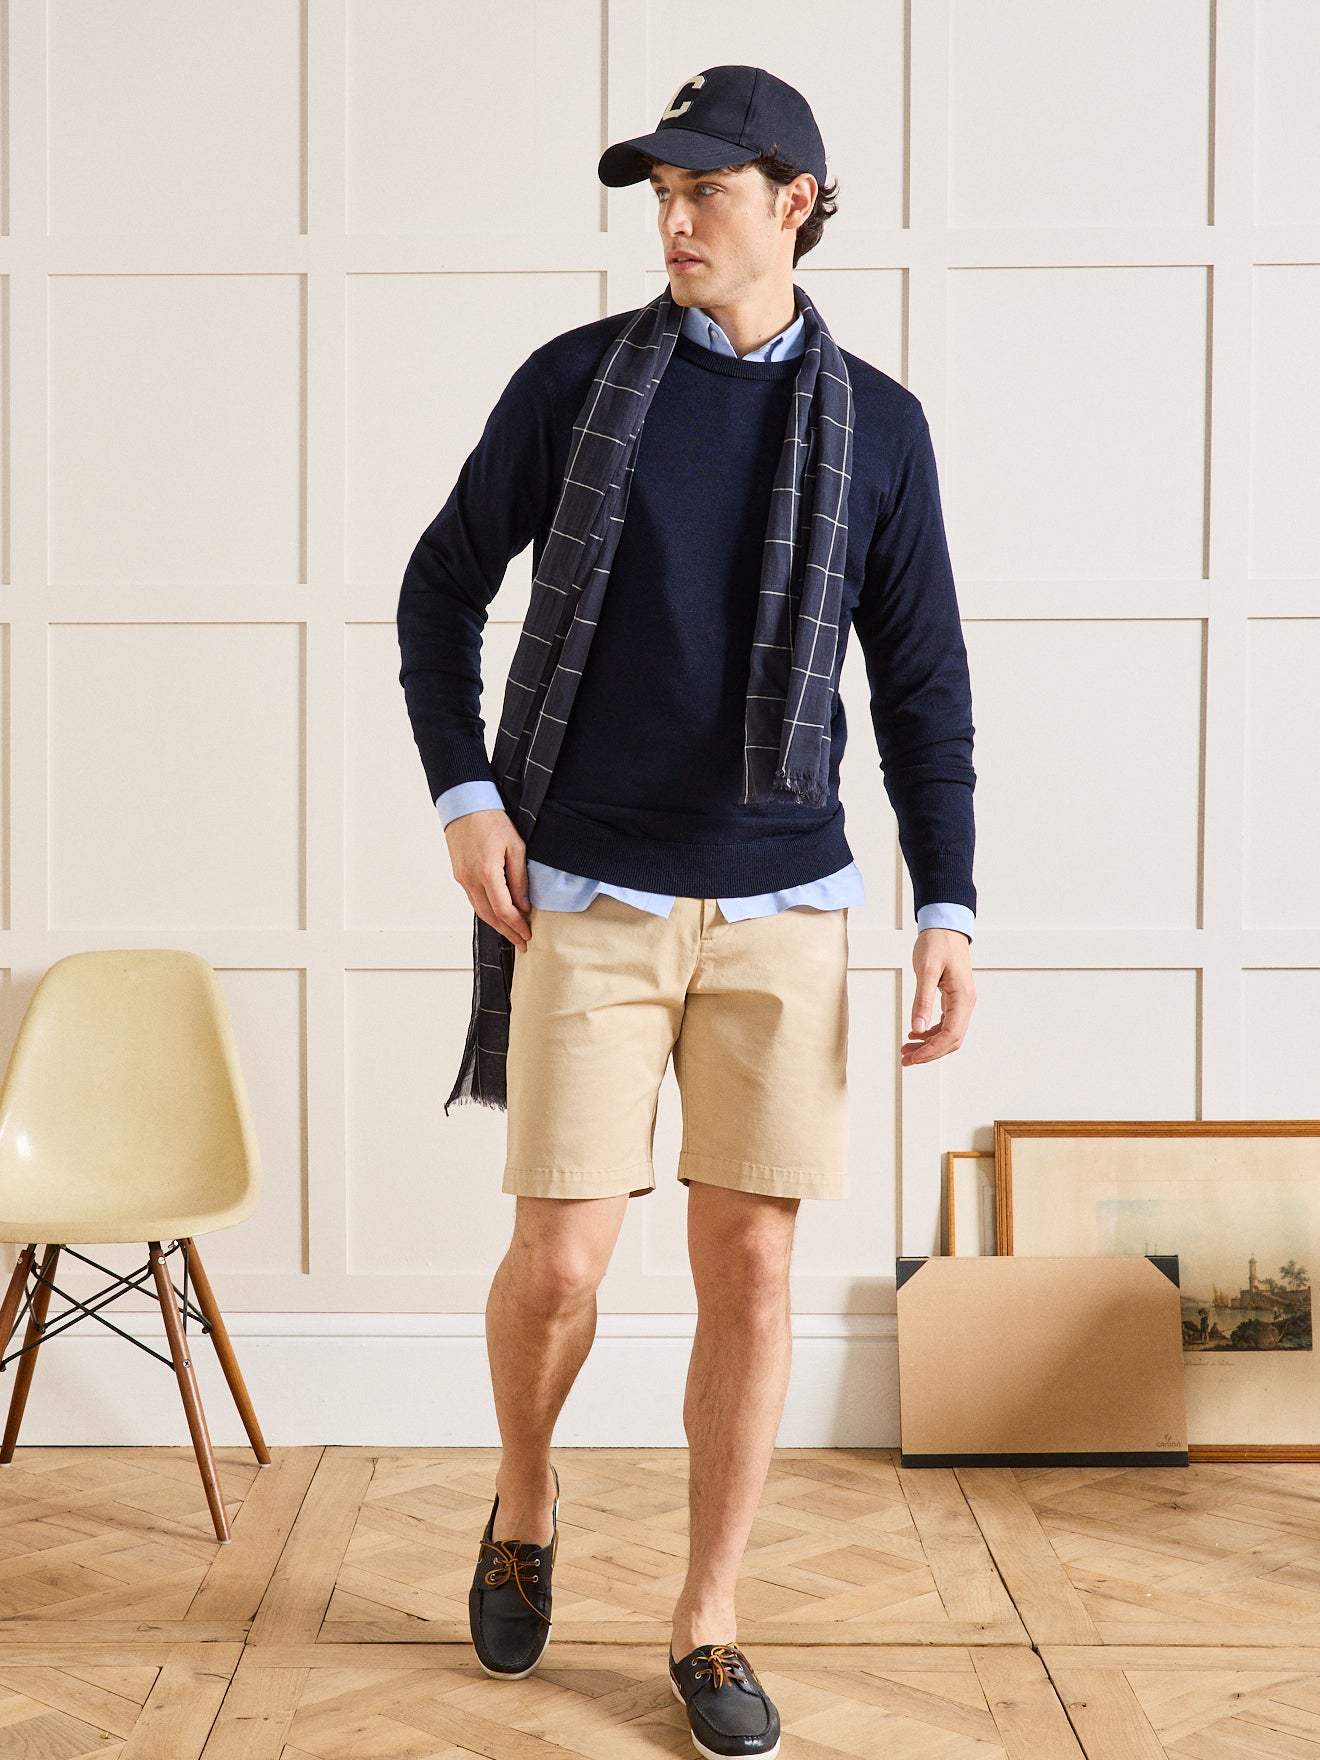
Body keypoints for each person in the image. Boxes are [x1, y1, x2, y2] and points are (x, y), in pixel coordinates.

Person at [397, 63, 978, 1760]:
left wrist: (948, 902)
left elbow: (924, 686)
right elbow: (441, 589)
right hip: (582, 894)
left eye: (705, 190)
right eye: (660, 193)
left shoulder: (881, 428)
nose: (673, 220)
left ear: (795, 201)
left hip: (787, 903)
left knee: (755, 1269)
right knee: (560, 1264)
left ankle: (708, 1617)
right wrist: (466, 797)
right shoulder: (576, 386)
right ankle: (525, 1497)